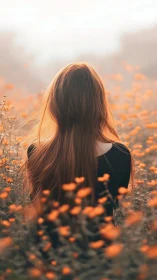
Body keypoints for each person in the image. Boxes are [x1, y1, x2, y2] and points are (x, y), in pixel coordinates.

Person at [22, 62, 134, 252]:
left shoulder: (36, 152)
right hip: (101, 258)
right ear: (98, 102)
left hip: (49, 259)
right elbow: (115, 203)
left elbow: (37, 205)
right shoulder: (120, 155)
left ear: (55, 103)